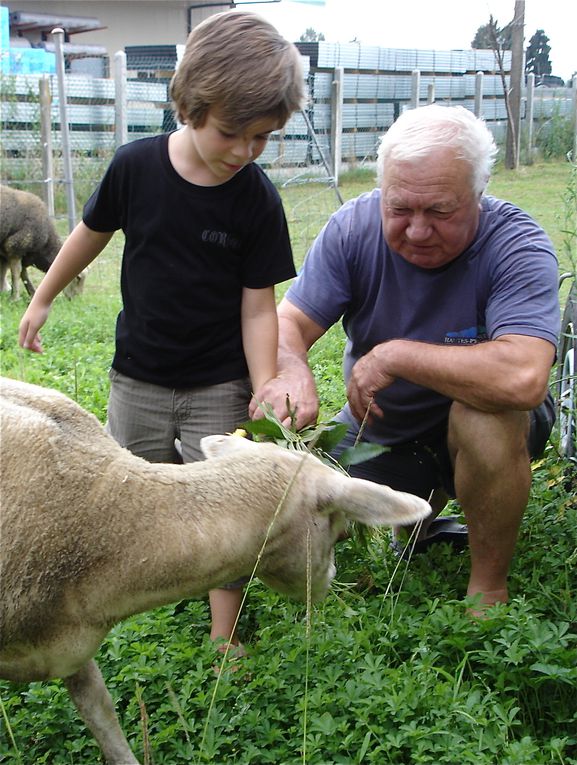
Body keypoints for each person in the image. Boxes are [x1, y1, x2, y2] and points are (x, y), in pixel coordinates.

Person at [19, 10, 305, 661]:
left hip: (218, 380)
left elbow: (259, 307)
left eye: (263, 138)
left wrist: (264, 387)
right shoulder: (134, 168)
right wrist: (41, 298)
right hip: (138, 376)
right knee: (135, 488)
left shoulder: (255, 199)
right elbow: (87, 238)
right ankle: (133, 595)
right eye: (232, 132)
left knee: (225, 498)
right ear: (190, 103)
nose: (244, 151)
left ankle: (221, 631)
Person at [251, 104, 560, 612]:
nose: (417, 230)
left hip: (494, 422)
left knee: (481, 414)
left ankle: (488, 587)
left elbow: (523, 378)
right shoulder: (352, 229)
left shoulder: (517, 245)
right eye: (400, 210)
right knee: (303, 507)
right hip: (386, 426)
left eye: (439, 211)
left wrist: (396, 356)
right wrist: (291, 369)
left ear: (477, 196)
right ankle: (418, 514)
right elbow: (288, 325)